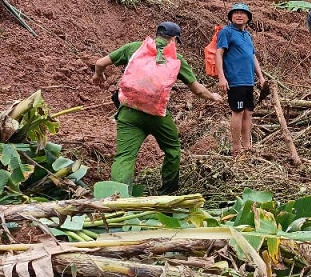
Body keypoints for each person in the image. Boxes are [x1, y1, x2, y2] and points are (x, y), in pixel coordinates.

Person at [93, 22, 221, 194]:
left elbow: (100, 63)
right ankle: (167, 193)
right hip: (156, 116)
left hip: (129, 112)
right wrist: (213, 96)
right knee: (172, 150)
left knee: (125, 157)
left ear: (158, 34)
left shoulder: (134, 48)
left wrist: (98, 75)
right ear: (174, 39)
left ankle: (118, 197)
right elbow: (198, 90)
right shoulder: (176, 59)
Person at [216, 3, 266, 156]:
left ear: (248, 18)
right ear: (231, 16)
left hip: (248, 80)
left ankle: (246, 145)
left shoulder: (247, 35)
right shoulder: (226, 32)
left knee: (248, 112)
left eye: (242, 13)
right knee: (237, 111)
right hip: (235, 80)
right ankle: (236, 148)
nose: (239, 15)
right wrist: (221, 77)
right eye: (235, 12)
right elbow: (219, 54)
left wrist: (261, 78)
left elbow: (252, 57)